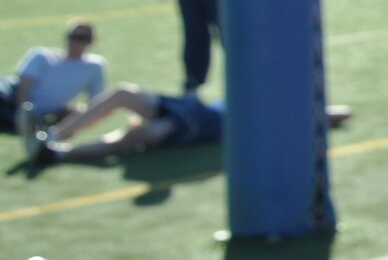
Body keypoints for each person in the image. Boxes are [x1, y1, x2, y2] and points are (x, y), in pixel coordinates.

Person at [31, 83, 351, 163]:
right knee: (123, 93)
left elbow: (340, 113)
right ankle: (54, 133)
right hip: (189, 109)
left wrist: (321, 114)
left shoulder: (273, 118)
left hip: (194, 130)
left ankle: (57, 153)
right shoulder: (256, 92)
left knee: (138, 135)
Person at [3, 20, 106, 154]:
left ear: (91, 41)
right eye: (72, 36)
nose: (75, 42)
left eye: (81, 38)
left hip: (37, 115)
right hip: (11, 96)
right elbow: (24, 85)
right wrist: (24, 112)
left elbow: (96, 103)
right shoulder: (42, 55)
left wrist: (72, 114)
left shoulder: (94, 67)